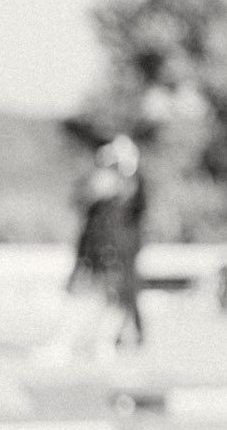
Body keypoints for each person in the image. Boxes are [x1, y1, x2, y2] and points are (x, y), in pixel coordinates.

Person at [37, 134, 148, 363]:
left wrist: (124, 167)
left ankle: (102, 345)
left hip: (117, 254)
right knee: (78, 298)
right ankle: (64, 345)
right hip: (93, 252)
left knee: (115, 301)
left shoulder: (131, 187)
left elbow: (135, 200)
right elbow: (79, 199)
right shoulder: (97, 188)